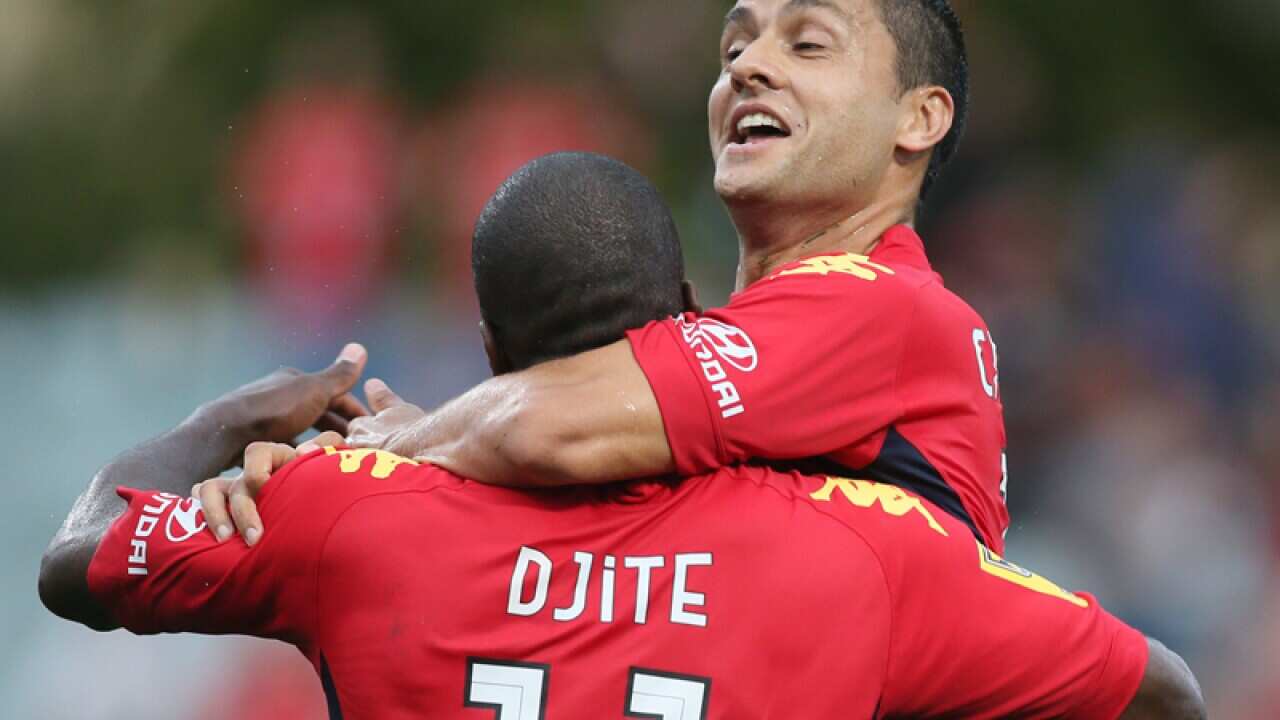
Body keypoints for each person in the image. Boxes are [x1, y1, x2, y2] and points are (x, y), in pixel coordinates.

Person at [40, 153, 1204, 718]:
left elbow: (77, 561)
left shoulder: (335, 508)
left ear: (491, 351)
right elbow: (1159, 692)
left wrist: (233, 416)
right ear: (690, 320)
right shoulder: (862, 551)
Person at [292, 0, 1012, 557]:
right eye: (734, 46)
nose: (746, 67)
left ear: (920, 118)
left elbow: (544, 428)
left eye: (808, 43)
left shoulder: (883, 309)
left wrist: (394, 450)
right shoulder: (791, 338)